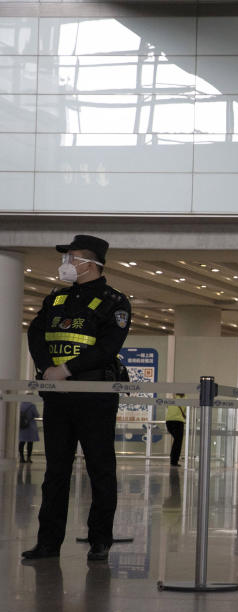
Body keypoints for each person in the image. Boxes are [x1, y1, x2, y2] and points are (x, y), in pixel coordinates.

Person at [23, 234, 131, 562]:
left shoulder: (115, 302)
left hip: (94, 396)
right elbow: (36, 332)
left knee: (100, 468)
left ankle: (100, 538)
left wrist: (66, 369)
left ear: (89, 263)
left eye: (71, 258)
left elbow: (107, 347)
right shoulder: (56, 299)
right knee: (56, 471)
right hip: (58, 397)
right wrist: (46, 368)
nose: (66, 264)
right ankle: (48, 542)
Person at [165, 394, 186, 467]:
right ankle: (174, 460)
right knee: (178, 441)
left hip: (169, 421)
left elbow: (167, 407)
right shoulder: (185, 398)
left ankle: (173, 459)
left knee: (176, 440)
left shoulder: (171, 397)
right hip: (178, 422)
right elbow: (184, 409)